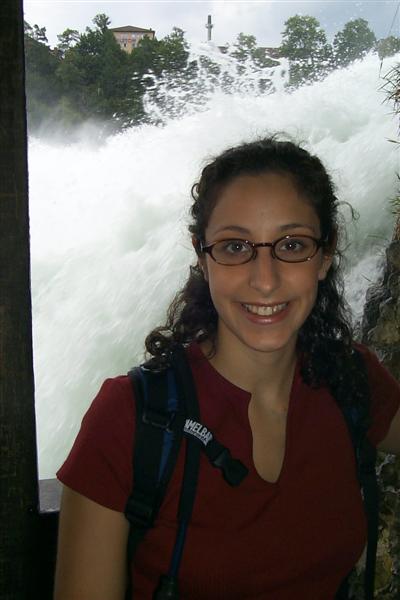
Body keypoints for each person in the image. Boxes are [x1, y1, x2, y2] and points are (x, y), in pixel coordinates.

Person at [54, 137, 400, 600]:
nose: (264, 278)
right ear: (202, 255)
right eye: (236, 247)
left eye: (292, 244)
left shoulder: (351, 381)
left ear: (325, 255)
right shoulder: (130, 418)